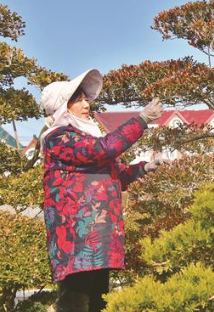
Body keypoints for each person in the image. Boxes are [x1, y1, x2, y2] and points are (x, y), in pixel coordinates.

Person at [40, 69, 164, 312]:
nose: (86, 104)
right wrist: (141, 120)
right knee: (74, 302)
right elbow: (101, 150)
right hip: (76, 236)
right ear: (63, 107)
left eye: (87, 99)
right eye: (78, 100)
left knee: (99, 302)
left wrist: (146, 167)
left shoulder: (87, 135)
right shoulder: (59, 137)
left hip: (99, 234)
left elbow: (119, 174)